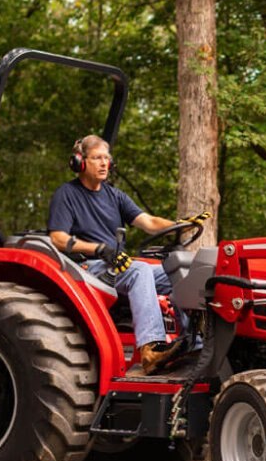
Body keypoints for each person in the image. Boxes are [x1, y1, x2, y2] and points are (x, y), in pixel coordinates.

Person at [48, 134, 180, 375]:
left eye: (106, 158)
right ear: (80, 162)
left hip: (116, 265)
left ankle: (194, 345)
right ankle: (151, 351)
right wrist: (98, 248)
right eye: (97, 158)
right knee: (139, 270)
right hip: (89, 268)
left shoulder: (114, 195)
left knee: (179, 271)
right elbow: (57, 238)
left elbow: (148, 222)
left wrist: (180, 224)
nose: (103, 163)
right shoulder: (66, 194)